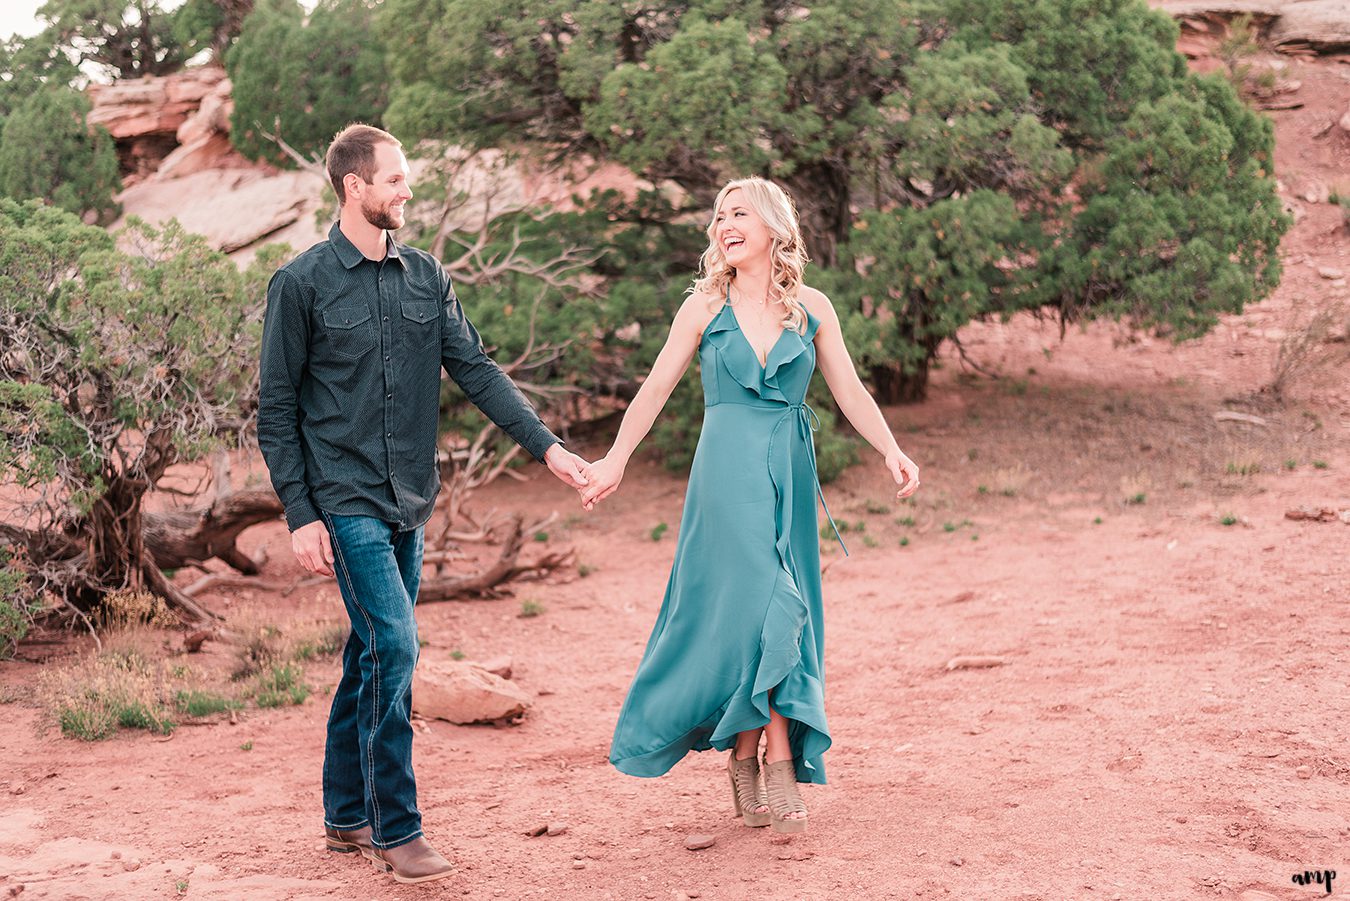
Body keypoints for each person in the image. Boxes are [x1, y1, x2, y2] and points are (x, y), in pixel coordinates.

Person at [257, 123, 590, 885]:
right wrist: (301, 513)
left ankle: (344, 809)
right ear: (355, 187)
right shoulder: (300, 284)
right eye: (396, 178)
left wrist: (550, 448)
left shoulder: (426, 277)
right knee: (397, 648)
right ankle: (395, 829)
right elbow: (276, 413)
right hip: (343, 500)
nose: (408, 190)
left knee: (371, 650)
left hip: (410, 497)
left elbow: (478, 370)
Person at [582, 177, 920, 834]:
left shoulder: (811, 306)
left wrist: (891, 448)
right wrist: (616, 458)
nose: (723, 225)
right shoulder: (702, 308)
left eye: (738, 213)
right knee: (771, 602)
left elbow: (849, 390)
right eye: (717, 216)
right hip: (725, 472)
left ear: (772, 226)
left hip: (788, 472)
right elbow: (653, 389)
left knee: (767, 612)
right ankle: (781, 758)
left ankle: (744, 755)